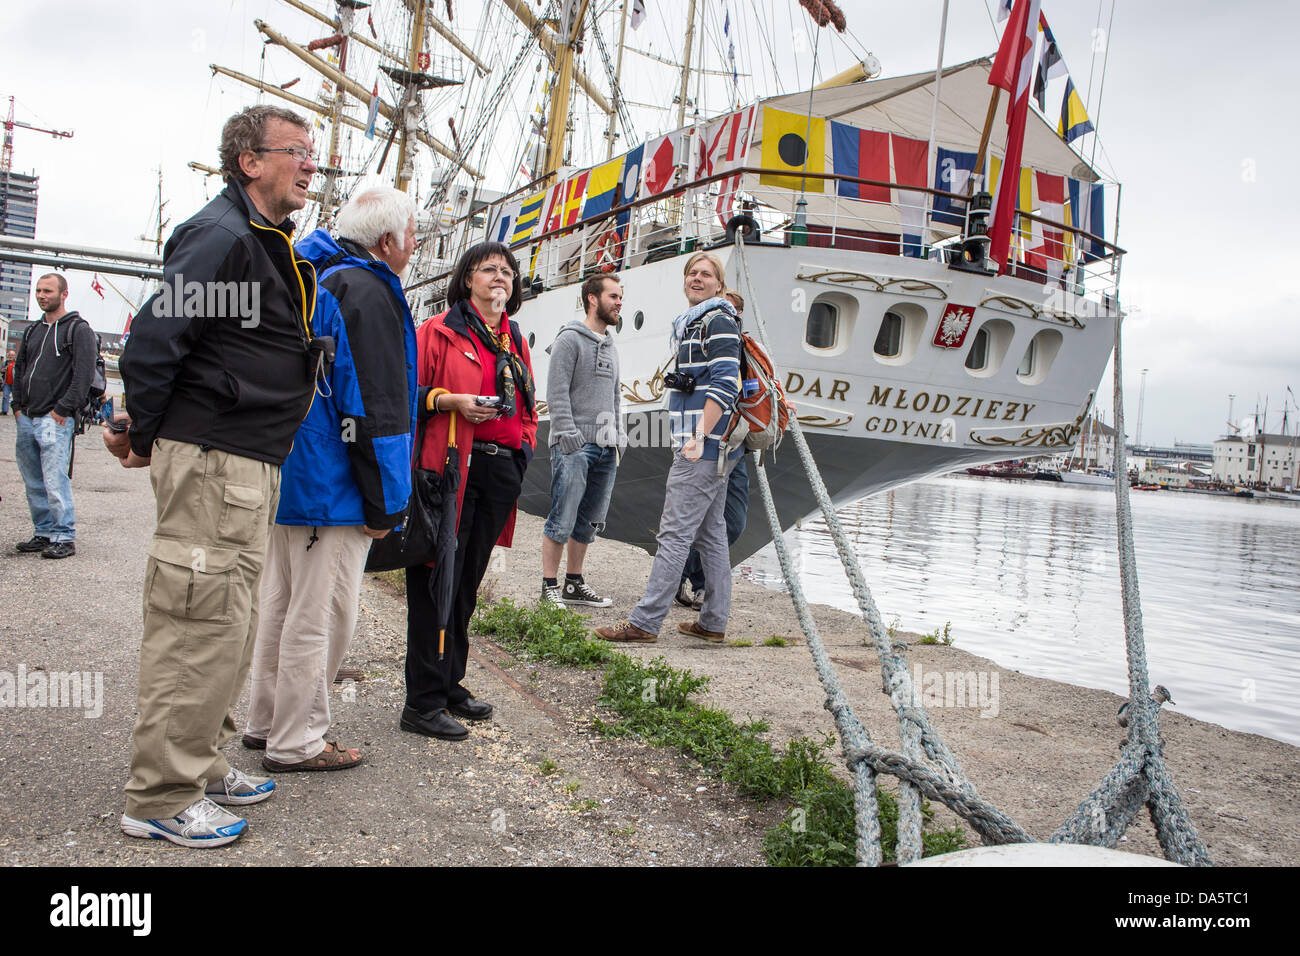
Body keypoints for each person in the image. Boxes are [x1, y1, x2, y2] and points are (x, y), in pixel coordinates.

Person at [104, 105, 320, 848]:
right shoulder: (222, 235)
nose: (311, 166)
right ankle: (162, 795)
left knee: (229, 621)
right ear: (250, 161)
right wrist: (148, 436)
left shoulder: (260, 240)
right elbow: (155, 343)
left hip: (247, 461)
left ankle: (201, 761)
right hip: (215, 459)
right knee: (195, 623)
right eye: (298, 152)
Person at [244, 187, 418, 773]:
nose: (415, 247)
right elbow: (375, 407)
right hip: (334, 487)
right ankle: (297, 739)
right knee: (323, 613)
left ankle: (265, 719)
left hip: (293, 472)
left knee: (280, 602)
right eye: (412, 235)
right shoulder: (366, 291)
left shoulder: (313, 274)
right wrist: (385, 501)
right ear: (387, 241)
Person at [402, 241, 537, 741]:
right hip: (450, 470)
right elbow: (401, 393)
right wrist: (448, 401)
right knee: (436, 581)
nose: (499, 277)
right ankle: (421, 702)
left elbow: (527, 406)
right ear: (467, 280)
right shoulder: (436, 332)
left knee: (466, 586)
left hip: (499, 472)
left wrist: (523, 448)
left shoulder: (513, 339)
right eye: (488, 270)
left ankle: (449, 682)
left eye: (507, 271)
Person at [594, 252, 742, 644]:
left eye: (706, 274)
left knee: (674, 535)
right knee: (711, 534)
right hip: (708, 445)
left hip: (702, 446)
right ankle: (713, 622)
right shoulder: (696, 322)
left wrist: (698, 435)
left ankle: (645, 622)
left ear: (718, 283)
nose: (697, 278)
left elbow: (728, 383)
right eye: (692, 272)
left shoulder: (718, 321)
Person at [540, 273, 625, 608]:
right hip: (574, 447)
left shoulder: (611, 346)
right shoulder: (569, 340)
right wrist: (569, 437)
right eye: (614, 297)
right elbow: (556, 392)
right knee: (561, 517)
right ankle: (549, 586)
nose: (619, 303)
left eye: (620, 298)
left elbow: (615, 397)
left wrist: (618, 439)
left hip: (606, 448)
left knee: (589, 520)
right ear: (593, 299)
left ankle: (573, 584)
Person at [10, 274, 96, 559]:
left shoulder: (77, 329)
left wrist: (62, 409)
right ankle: (43, 531)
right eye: (38, 290)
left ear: (64, 294)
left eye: (48, 291)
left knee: (54, 479)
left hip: (54, 419)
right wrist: (18, 406)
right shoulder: (33, 330)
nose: (41, 295)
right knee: (33, 479)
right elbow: (20, 367)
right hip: (27, 417)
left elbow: (83, 375)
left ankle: (64, 536)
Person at [676, 288, 750, 610]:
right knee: (697, 523)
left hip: (734, 446)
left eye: (732, 312)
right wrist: (695, 437)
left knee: (731, 522)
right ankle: (702, 589)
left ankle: (687, 573)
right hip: (706, 445)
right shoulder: (701, 338)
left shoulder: (743, 350)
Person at [2, 348, 16, 414]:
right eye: (9, 355)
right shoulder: (5, 363)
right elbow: (1, 371)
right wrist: (2, 370)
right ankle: (4, 411)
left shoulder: (16, 363)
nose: (10, 356)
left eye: (12, 355)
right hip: (7, 383)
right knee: (5, 397)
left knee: (15, 398)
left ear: (14, 356)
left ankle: (16, 411)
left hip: (14, 383)